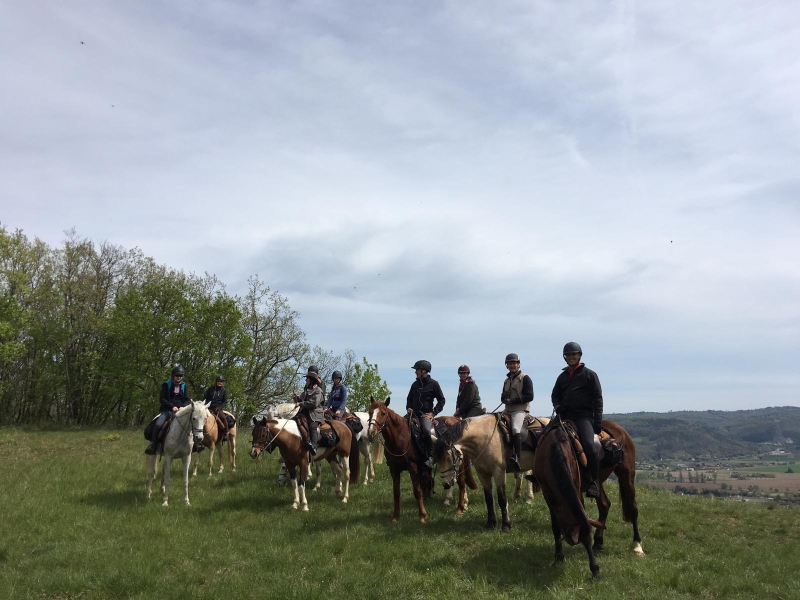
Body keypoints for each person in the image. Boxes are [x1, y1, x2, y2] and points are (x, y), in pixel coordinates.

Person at [551, 341, 603, 499]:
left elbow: (598, 399)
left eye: (574, 354)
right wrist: (558, 405)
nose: (571, 357)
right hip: (565, 415)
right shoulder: (562, 377)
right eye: (568, 355)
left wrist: (597, 422)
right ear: (565, 358)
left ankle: (594, 482)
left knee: (588, 444)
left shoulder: (590, 374)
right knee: (543, 438)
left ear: (579, 355)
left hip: (583, 416)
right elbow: (555, 395)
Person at [406, 359, 445, 468]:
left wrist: (433, 413)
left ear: (424, 370)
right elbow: (409, 398)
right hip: (413, 414)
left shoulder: (434, 384)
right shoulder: (414, 384)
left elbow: (442, 400)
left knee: (427, 431)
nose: (415, 372)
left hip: (425, 415)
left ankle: (431, 457)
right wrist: (408, 408)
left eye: (417, 370)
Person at [145, 365, 192, 455]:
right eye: (177, 376)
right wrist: (171, 406)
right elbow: (162, 399)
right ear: (173, 376)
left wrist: (183, 406)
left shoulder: (184, 386)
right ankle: (153, 446)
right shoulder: (166, 385)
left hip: (181, 411)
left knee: (193, 424)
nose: (179, 377)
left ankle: (194, 445)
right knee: (158, 425)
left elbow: (187, 399)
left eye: (181, 376)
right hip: (167, 410)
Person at [500, 353, 534, 472]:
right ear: (507, 365)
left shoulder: (525, 378)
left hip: (519, 410)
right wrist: (504, 398)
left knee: (515, 429)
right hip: (507, 410)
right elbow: (502, 399)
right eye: (510, 363)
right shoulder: (506, 380)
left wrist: (512, 400)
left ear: (518, 365)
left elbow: (530, 396)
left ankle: (517, 457)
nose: (512, 365)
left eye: (514, 363)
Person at [293, 366, 326, 454]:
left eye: (307, 379)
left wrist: (301, 403)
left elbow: (314, 404)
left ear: (311, 380)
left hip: (315, 413)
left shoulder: (318, 390)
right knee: (295, 420)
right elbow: (302, 398)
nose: (305, 381)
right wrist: (296, 398)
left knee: (312, 425)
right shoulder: (307, 390)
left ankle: (314, 446)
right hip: (306, 411)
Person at [205, 375, 230, 441]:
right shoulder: (210, 389)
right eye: (218, 381)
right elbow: (205, 398)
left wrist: (220, 407)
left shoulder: (224, 391)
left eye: (221, 381)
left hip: (217, 408)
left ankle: (226, 432)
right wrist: (206, 406)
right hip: (209, 407)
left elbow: (224, 401)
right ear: (216, 382)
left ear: (223, 383)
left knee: (223, 417)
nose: (220, 382)